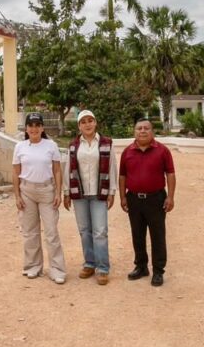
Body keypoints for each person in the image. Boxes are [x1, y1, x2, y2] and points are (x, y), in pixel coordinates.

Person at [119, 117, 176, 287]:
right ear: (134, 132)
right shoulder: (127, 152)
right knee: (137, 234)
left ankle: (158, 271)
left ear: (152, 131)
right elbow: (122, 176)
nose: (142, 131)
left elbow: (170, 174)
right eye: (139, 128)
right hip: (134, 199)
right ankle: (141, 266)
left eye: (146, 128)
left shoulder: (162, 151)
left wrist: (170, 196)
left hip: (156, 199)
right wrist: (123, 197)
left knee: (157, 235)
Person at [63, 110, 117, 285]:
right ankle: (89, 263)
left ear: (95, 123)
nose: (87, 124)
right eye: (83, 122)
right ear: (79, 126)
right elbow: (67, 170)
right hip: (79, 193)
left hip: (98, 193)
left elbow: (112, 168)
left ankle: (102, 268)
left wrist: (112, 192)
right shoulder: (73, 146)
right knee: (84, 230)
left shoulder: (107, 143)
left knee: (100, 231)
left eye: (90, 120)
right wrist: (66, 193)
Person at [12, 112, 67, 284]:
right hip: (27, 191)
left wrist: (58, 192)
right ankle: (32, 266)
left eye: (37, 125)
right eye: (31, 125)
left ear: (42, 128)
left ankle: (57, 269)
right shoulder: (20, 147)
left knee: (51, 232)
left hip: (46, 191)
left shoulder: (51, 145)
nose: (34, 129)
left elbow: (57, 170)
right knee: (30, 232)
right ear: (26, 128)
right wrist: (17, 196)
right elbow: (16, 172)